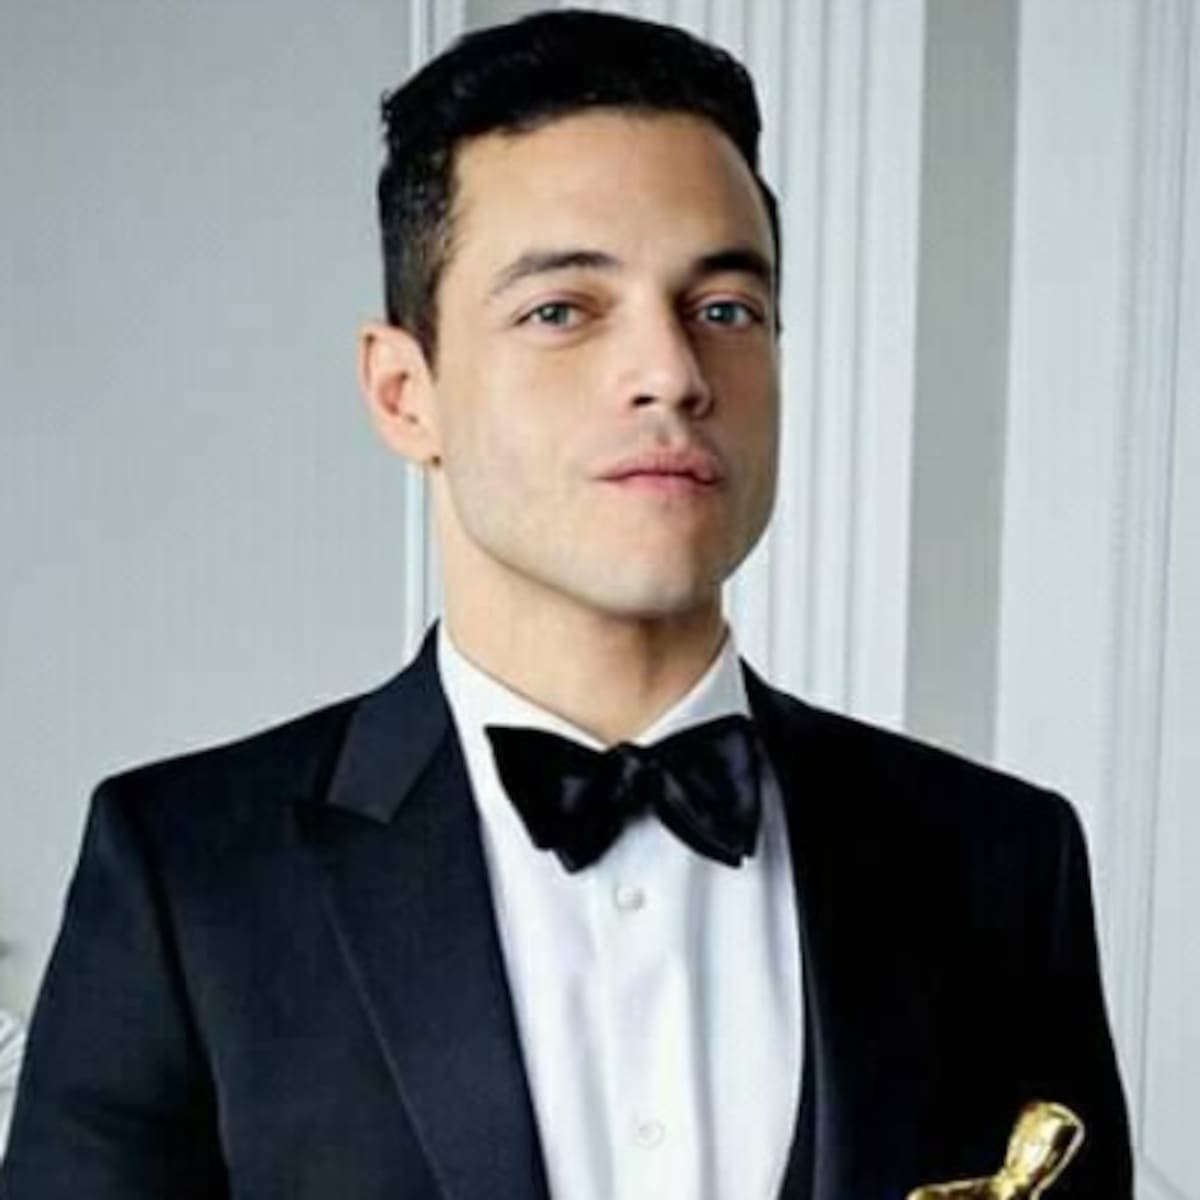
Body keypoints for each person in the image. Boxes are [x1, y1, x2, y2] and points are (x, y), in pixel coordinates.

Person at [0, 10, 1132, 1200]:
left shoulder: (1001, 864)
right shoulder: (187, 876)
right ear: (404, 392)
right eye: (562, 310)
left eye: (725, 309)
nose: (672, 375)